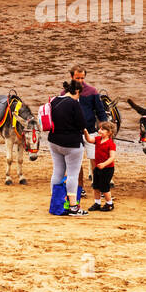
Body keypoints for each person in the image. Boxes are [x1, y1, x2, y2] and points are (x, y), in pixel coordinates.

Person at [48, 79, 94, 216]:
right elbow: (82, 124)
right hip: (72, 145)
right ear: (77, 91)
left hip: (53, 141)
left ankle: (55, 202)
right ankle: (73, 207)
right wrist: (87, 135)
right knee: (72, 175)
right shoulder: (74, 104)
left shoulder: (54, 100)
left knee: (58, 171)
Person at [71, 66, 109, 201]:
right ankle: (79, 188)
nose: (80, 81)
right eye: (77, 78)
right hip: (74, 133)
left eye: (82, 78)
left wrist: (105, 128)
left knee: (96, 161)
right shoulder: (65, 92)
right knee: (76, 162)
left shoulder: (92, 91)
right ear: (72, 77)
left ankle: (99, 188)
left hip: (91, 132)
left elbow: (100, 112)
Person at [88, 120, 117, 212]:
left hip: (107, 168)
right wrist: (85, 132)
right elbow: (89, 139)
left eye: (103, 129)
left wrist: (104, 164)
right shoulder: (97, 139)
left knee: (104, 187)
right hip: (97, 167)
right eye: (100, 129)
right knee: (96, 186)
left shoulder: (111, 144)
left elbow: (112, 157)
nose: (100, 131)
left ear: (109, 133)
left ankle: (109, 203)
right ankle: (97, 203)